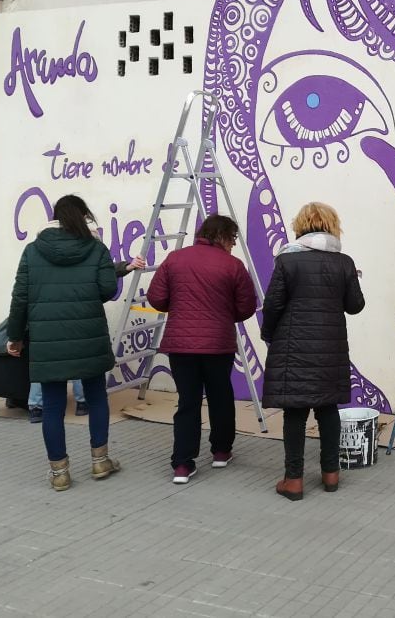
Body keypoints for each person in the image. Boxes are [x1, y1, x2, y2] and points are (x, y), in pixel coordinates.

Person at [6, 194, 122, 491]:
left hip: (49, 340)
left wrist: (15, 337)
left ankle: (60, 473)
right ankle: (100, 461)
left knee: (54, 406)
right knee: (96, 398)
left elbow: (20, 297)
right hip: (88, 336)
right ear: (84, 216)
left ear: (54, 218)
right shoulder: (96, 248)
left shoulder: (33, 251)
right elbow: (108, 289)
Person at [261, 202, 365, 501]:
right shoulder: (343, 262)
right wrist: (353, 278)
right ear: (332, 226)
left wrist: (269, 334)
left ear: (301, 225)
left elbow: (273, 305)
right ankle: (331, 475)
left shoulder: (286, 260)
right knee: (328, 408)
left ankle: (293, 481)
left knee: (295, 412)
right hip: (330, 347)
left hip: (293, 346)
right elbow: (355, 306)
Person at [147, 214, 257, 484]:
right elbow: (246, 307)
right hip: (218, 344)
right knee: (220, 396)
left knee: (188, 401)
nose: (233, 245)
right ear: (222, 236)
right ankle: (221, 451)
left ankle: (182, 465)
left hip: (181, 345)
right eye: (232, 239)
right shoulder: (233, 265)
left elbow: (156, 298)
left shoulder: (175, 259)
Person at [26, 255, 147, 423]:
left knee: (46, 364)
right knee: (79, 361)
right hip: (78, 320)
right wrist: (127, 266)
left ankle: (36, 407)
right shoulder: (83, 257)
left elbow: (24, 295)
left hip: (50, 322)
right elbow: (104, 273)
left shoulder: (40, 260)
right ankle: (82, 403)